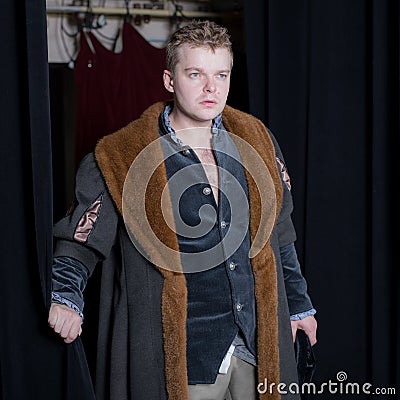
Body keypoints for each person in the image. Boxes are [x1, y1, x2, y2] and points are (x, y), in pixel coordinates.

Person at [48, 20, 317, 400]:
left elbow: (282, 235)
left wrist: (299, 307)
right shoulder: (121, 155)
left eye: (221, 75)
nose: (211, 88)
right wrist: (66, 297)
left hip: (258, 347)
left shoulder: (258, 140)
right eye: (196, 74)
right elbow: (79, 242)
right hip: (182, 355)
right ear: (169, 80)